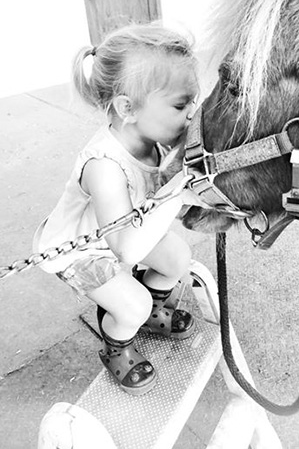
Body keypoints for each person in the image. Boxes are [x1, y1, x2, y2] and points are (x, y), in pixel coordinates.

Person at [33, 23, 199, 395]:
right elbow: (125, 247)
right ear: (127, 108)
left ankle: (156, 310)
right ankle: (117, 342)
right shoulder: (105, 167)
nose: (192, 114)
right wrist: (181, 193)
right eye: (180, 104)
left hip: (127, 228)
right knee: (132, 307)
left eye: (193, 102)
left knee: (178, 258)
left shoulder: (155, 137)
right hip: (83, 251)